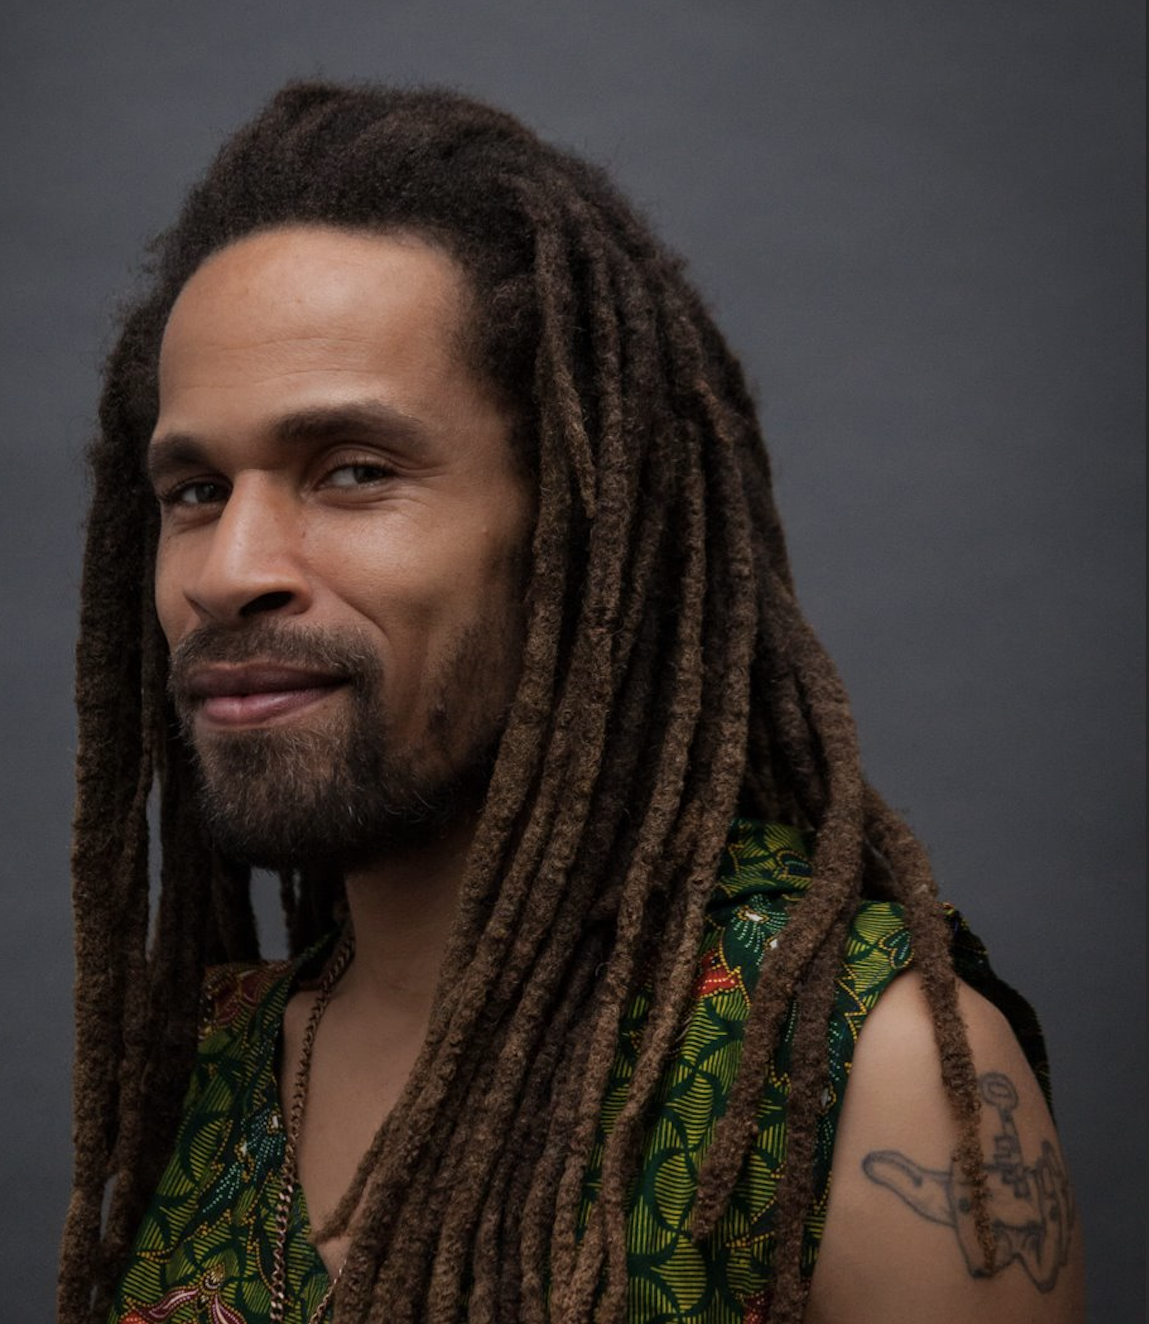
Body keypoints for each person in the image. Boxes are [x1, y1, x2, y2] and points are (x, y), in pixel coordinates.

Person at [57, 81, 1083, 1324]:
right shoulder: (216, 1067)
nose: (229, 572)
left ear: (578, 537)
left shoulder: (866, 1071)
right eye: (195, 491)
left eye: (355, 471)